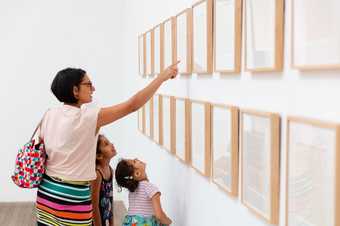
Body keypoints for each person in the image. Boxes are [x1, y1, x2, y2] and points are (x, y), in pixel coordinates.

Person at [35, 62, 178, 226]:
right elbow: (132, 105)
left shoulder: (49, 114)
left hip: (46, 191)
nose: (93, 89)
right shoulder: (88, 117)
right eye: (88, 84)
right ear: (75, 90)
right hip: (72, 196)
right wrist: (162, 77)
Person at [115, 158, 172, 226]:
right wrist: (168, 221)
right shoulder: (150, 188)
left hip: (130, 223)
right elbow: (159, 215)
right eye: (134, 161)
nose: (136, 158)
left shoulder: (132, 191)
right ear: (137, 173)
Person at [91, 135, 116, 226]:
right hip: (95, 221)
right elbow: (94, 204)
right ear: (99, 155)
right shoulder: (97, 174)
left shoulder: (110, 170)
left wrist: (112, 223)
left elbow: (110, 198)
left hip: (104, 217)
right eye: (106, 144)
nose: (112, 144)